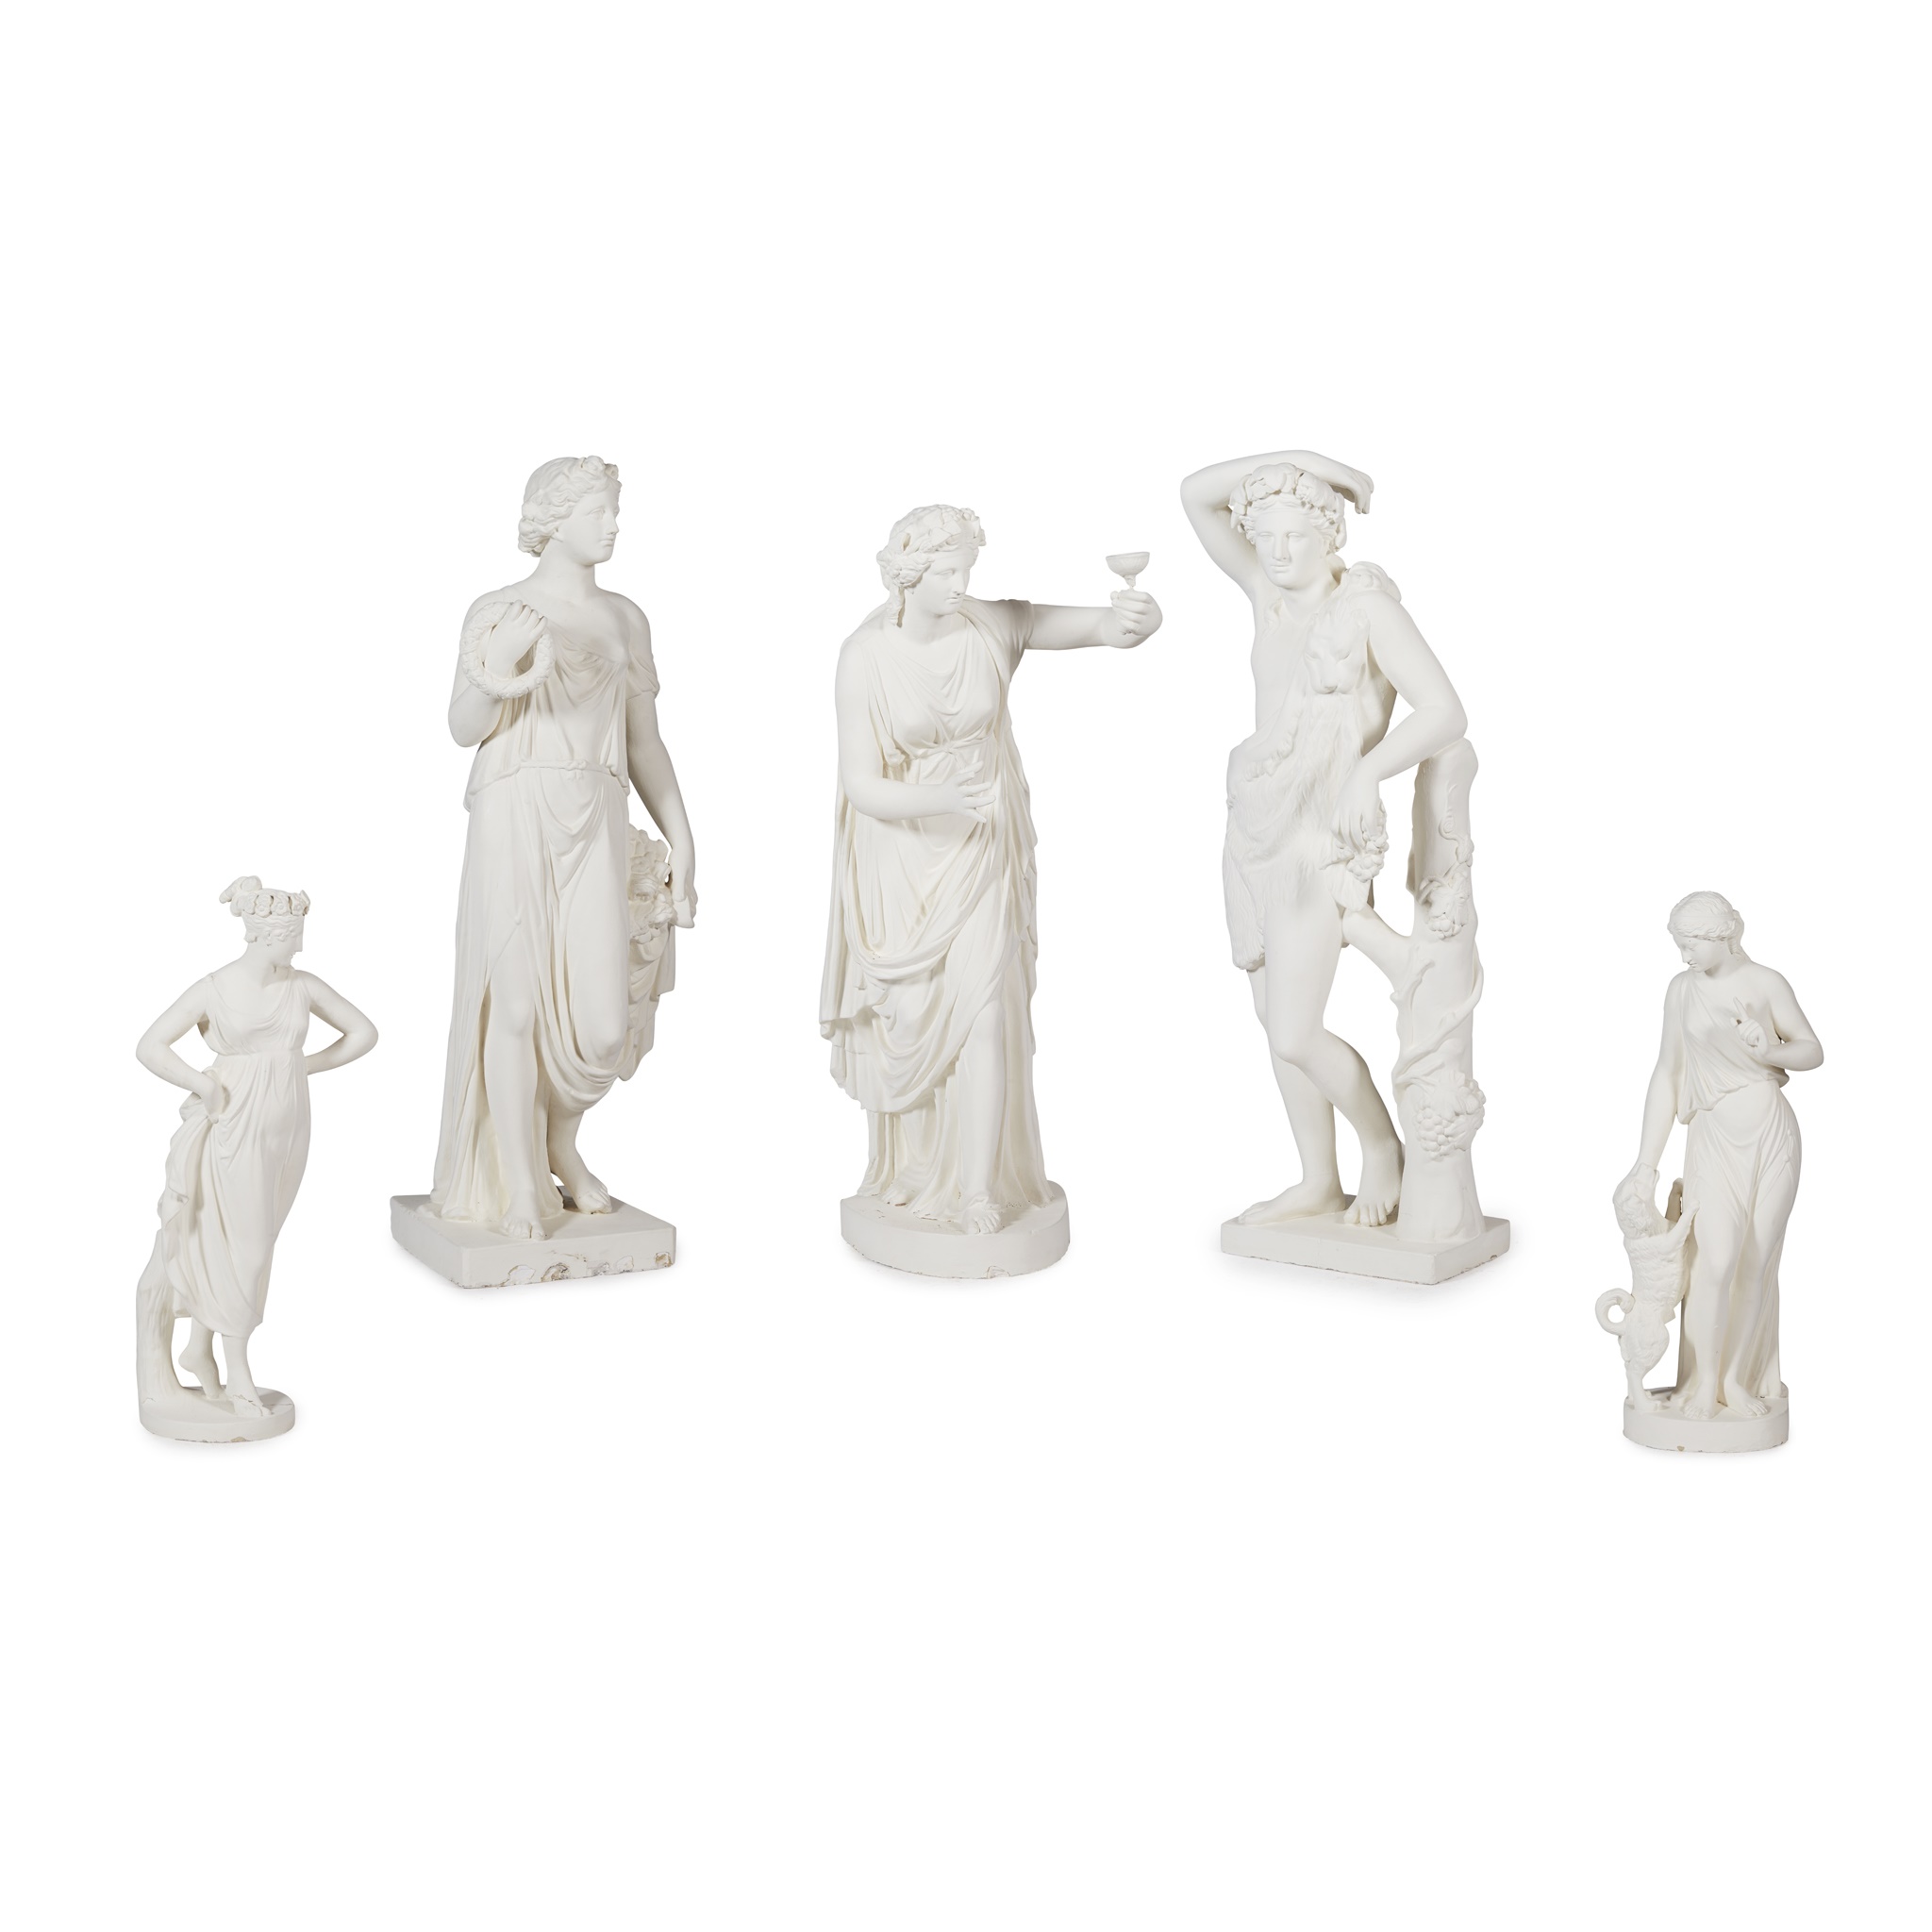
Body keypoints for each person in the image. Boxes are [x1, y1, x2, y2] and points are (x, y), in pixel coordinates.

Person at [820, 505, 1159, 1236]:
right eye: (946, 572)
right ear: (908, 574)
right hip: (903, 859)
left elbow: (1104, 628)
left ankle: (978, 1189)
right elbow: (861, 784)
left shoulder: (990, 627)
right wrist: (940, 798)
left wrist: (1136, 617)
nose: (960, 584)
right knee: (915, 1017)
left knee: (985, 1012)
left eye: (966, 570)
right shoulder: (864, 656)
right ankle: (922, 1170)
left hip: (981, 853)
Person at [1180, 450, 1468, 1226]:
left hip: (1318, 841)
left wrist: (1369, 772)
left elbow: (1444, 710)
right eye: (1265, 536)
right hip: (1253, 827)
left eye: (1295, 537)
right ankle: (1316, 1178)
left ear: (1329, 533)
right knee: (1270, 1021)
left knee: (1295, 1030)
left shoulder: (1366, 612)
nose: (1277, 553)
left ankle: (1381, 1145)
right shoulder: (1265, 598)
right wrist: (1306, 463)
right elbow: (1194, 495)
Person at [431, 456, 695, 1240]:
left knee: (603, 1024)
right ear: (553, 518)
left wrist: (683, 835)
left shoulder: (626, 620)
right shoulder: (500, 609)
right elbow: (462, 727)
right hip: (516, 806)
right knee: (514, 1005)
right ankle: (520, 1180)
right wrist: (500, 665)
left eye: (614, 510)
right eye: (598, 511)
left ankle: (558, 1141)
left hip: (597, 809)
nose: (613, 524)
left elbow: (644, 742)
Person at [135, 879, 376, 1418]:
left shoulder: (303, 986)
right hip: (234, 1124)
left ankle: (199, 1347)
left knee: (257, 1240)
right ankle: (238, 1373)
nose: (300, 946)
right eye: (294, 936)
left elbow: (364, 1033)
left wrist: (300, 1067)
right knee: (247, 1249)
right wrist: (202, 1085)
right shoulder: (214, 989)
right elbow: (150, 1046)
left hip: (289, 1126)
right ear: (268, 934)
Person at [1615, 891, 1823, 1420]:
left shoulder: (1766, 982)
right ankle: (1703, 1381)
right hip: (1712, 1136)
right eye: (1680, 945)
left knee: (1756, 1260)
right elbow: (1668, 1073)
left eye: (1691, 945)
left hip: (1772, 1135)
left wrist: (1767, 1049)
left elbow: (1812, 1050)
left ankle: (1734, 1380)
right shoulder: (1681, 990)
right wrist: (1646, 1162)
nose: (1684, 956)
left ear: (1722, 936)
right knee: (1715, 1259)